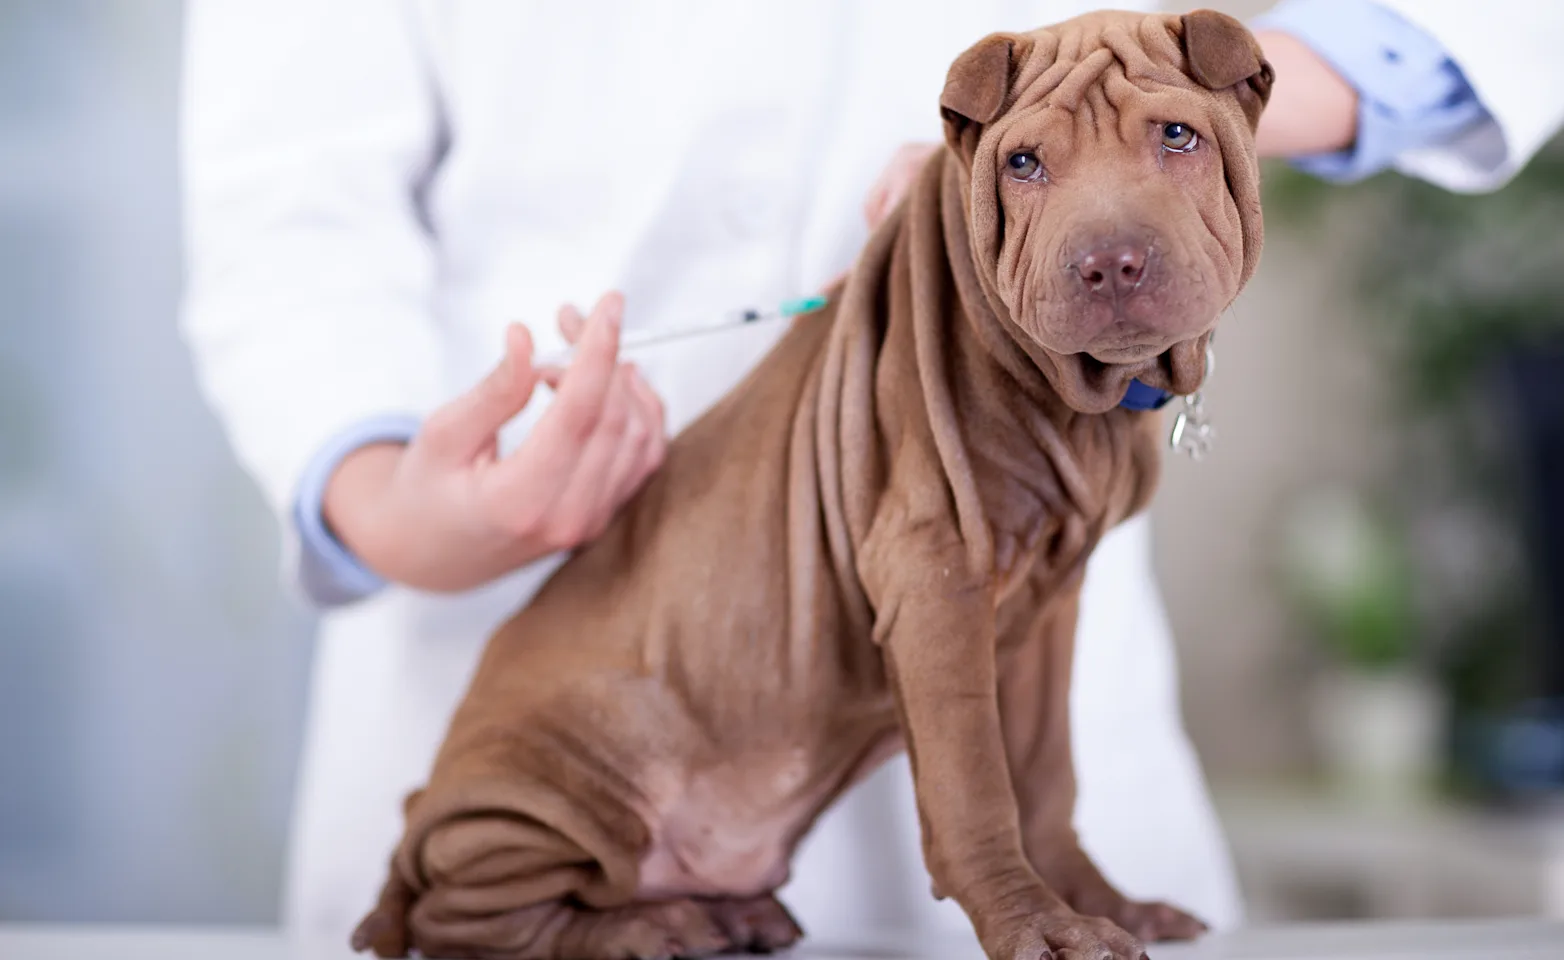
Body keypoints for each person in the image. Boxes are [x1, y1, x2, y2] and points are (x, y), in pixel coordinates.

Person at [178, 0, 1564, 944]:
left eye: (1178, 142)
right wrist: (391, 502)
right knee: (520, 860)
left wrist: (1210, 89)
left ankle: (1035, 855)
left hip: (1046, 525)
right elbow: (285, 226)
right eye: (1027, 166)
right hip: (538, 647)